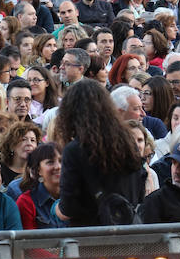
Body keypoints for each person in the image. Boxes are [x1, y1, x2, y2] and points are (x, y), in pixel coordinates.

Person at [56, 79, 146, 226]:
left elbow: (68, 209)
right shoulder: (129, 143)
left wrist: (56, 209)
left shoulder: (74, 150)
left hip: (90, 240)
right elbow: (139, 193)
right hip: (128, 236)